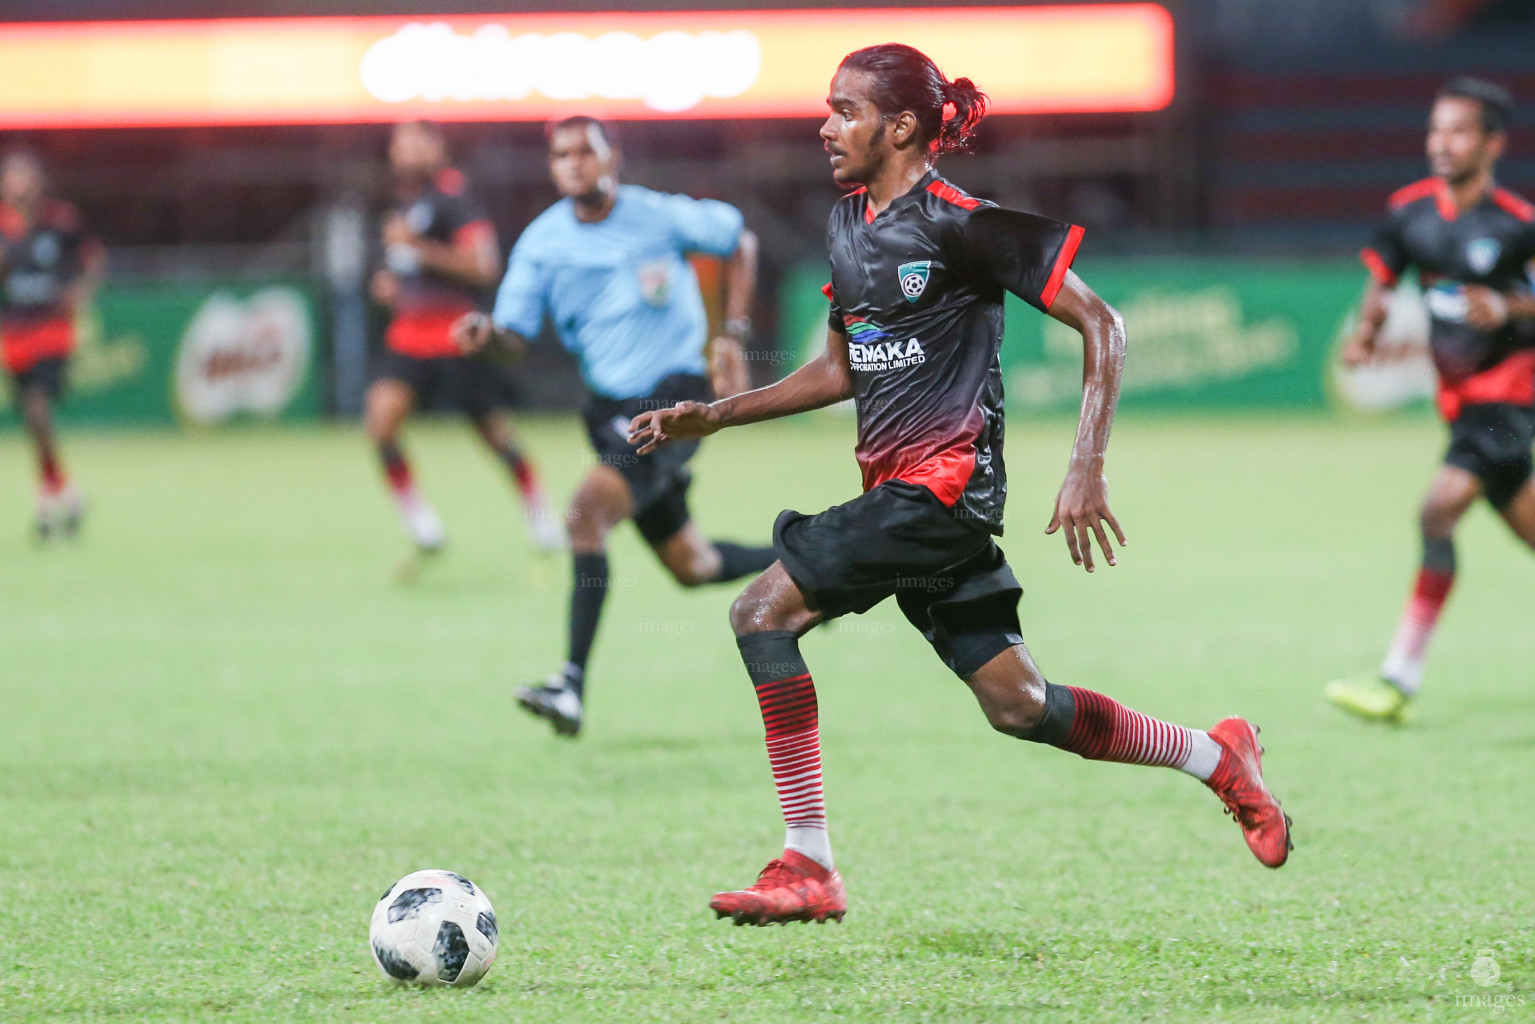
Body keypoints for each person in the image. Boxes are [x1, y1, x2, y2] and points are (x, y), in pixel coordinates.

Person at [628, 44, 1293, 926]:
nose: (824, 127)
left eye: (845, 110)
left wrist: (1085, 462)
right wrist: (717, 413)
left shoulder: (962, 224)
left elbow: (1103, 322)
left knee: (759, 613)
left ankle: (808, 864)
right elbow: (836, 371)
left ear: (900, 127)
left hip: (939, 493)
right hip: (914, 502)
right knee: (1021, 707)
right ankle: (1216, 759)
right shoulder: (846, 226)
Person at [454, 115, 775, 738]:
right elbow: (514, 335)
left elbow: (740, 240)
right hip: (606, 409)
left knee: (584, 513)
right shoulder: (543, 243)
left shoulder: (657, 215)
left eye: (585, 150)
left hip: (674, 398)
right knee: (694, 565)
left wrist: (732, 335)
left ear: (612, 158)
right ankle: (816, 567)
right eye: (561, 154)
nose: (574, 162)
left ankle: (570, 684)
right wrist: (487, 336)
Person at [1326, 78, 1535, 723]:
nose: (1442, 144)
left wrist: (1505, 305)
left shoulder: (1518, 225)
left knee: (1437, 512)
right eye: (1435, 130)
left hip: (1508, 402)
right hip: (1463, 406)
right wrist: (1364, 334)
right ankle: (1398, 680)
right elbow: (1381, 280)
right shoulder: (1409, 212)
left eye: (1459, 131)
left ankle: (1397, 679)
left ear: (1492, 143)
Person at [367, 121, 557, 567]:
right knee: (380, 424)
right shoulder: (404, 204)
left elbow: (482, 267)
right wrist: (391, 287)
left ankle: (540, 514)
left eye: (417, 142)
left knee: (495, 436)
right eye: (401, 144)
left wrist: (417, 248)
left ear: (438, 148)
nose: (407, 152)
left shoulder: (456, 199)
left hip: (456, 336)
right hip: (409, 336)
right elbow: (409, 269)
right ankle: (421, 525)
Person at [0, 150, 104, 539]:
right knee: (31, 420)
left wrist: (80, 292)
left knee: (38, 408)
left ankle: (51, 493)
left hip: (51, 329)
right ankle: (61, 491)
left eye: (24, 176)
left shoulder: (60, 219)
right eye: (11, 176)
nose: (17, 183)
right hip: (13, 332)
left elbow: (94, 259)